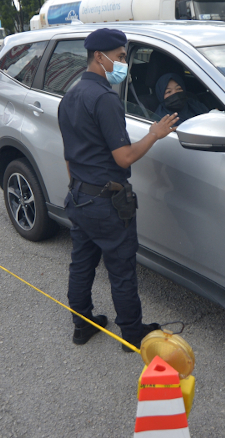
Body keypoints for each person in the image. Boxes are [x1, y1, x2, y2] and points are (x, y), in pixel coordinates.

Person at [57, 28, 180, 350]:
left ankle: (82, 325)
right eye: (121, 57)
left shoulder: (70, 96)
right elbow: (123, 157)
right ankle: (132, 333)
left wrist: (77, 189)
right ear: (100, 57)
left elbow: (69, 154)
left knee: (81, 264)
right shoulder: (105, 98)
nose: (124, 63)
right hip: (107, 203)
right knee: (121, 270)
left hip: (79, 196)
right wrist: (154, 134)